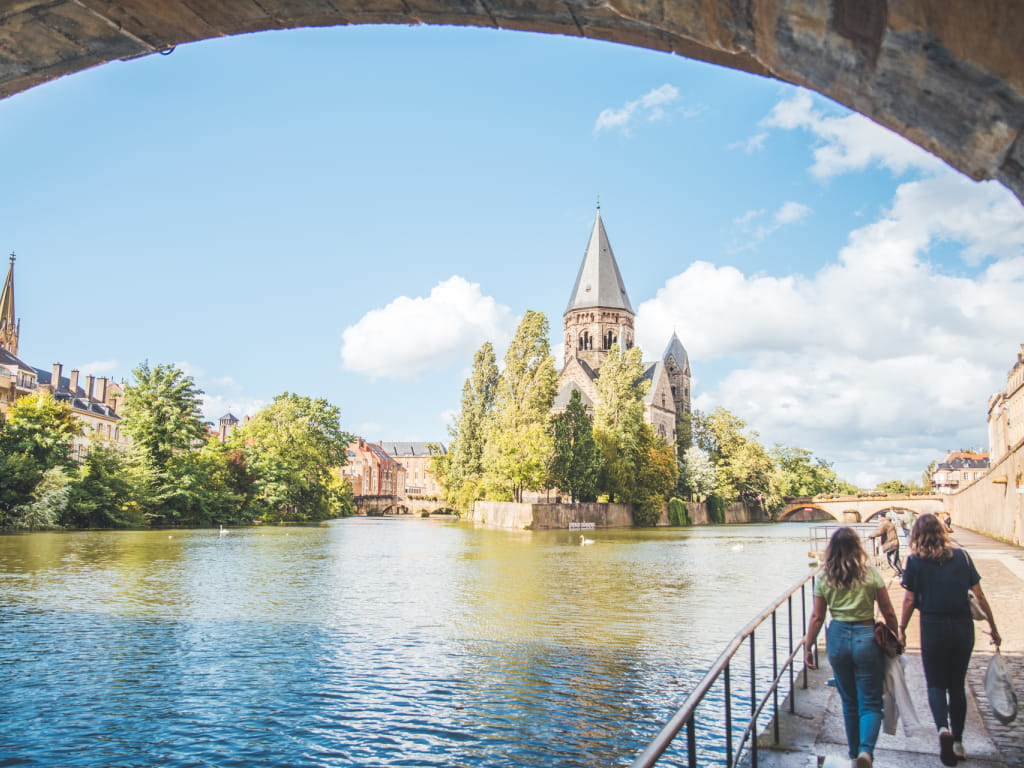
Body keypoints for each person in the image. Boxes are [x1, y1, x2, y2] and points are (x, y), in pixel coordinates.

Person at [898, 513, 1001, 766]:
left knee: (935, 684)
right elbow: (979, 595)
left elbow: (909, 600)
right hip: (962, 626)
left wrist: (901, 629)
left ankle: (942, 729)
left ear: (916, 534)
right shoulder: (962, 557)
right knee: (956, 685)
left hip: (932, 626)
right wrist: (993, 627)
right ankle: (959, 743)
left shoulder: (914, 561)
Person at [804, 527, 899, 768]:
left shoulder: (824, 577)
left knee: (849, 701)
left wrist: (808, 645)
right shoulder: (870, 574)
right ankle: (866, 751)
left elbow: (817, 616)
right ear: (857, 548)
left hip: (837, 636)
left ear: (831, 550)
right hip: (866, 636)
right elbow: (887, 610)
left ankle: (854, 754)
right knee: (871, 702)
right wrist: (896, 636)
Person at [868, 511, 903, 576]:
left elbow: (879, 531)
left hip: (891, 544)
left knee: (891, 561)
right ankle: (901, 573)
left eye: (879, 517)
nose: (878, 519)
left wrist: (871, 535)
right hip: (894, 543)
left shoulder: (885, 524)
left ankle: (899, 573)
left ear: (882, 517)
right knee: (896, 560)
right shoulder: (889, 523)